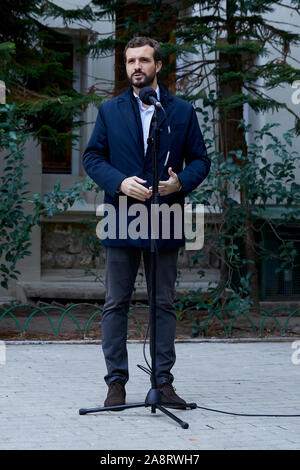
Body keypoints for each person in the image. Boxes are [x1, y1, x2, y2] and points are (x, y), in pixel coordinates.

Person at [82, 36, 211, 409]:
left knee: (164, 304)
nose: (136, 67)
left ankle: (163, 383)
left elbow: (201, 160)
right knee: (115, 303)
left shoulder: (182, 111)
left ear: (158, 65)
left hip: (166, 214)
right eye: (130, 61)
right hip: (121, 214)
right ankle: (116, 384)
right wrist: (119, 182)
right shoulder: (109, 110)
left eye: (143, 60)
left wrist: (179, 183)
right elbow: (92, 157)